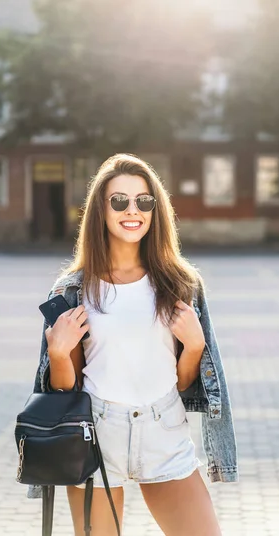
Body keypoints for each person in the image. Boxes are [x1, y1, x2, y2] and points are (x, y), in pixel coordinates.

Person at [30, 153, 239, 536]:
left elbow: (182, 383)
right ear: (101, 211)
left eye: (144, 201)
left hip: (164, 430)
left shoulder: (180, 284)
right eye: (119, 200)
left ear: (155, 209)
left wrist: (194, 347)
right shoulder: (73, 290)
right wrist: (59, 353)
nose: (133, 210)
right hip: (96, 434)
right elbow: (66, 390)